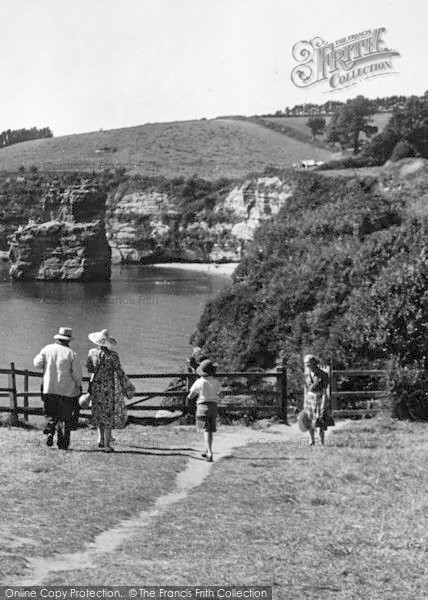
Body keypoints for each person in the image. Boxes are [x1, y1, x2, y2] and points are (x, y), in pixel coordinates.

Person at [33, 327, 82, 450]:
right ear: (68, 340)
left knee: (51, 414)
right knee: (65, 417)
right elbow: (77, 374)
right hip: (67, 390)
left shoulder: (47, 349)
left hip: (49, 388)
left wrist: (47, 366)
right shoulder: (71, 354)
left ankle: (50, 430)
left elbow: (37, 363)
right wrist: (78, 385)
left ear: (58, 338)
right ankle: (63, 443)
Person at [86, 328, 134, 452]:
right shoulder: (113, 356)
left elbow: (89, 369)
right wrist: (127, 386)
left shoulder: (92, 353)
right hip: (108, 388)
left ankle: (100, 439)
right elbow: (119, 372)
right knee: (108, 414)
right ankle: (107, 445)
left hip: (96, 386)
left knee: (98, 413)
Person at [186, 359, 221, 462]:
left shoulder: (199, 382)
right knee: (209, 431)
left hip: (202, 406)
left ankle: (209, 453)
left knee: (205, 431)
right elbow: (221, 394)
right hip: (213, 407)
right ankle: (207, 451)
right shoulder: (216, 382)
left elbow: (190, 395)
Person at [303, 354, 334, 446]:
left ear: (314, 363)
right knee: (309, 419)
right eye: (306, 364)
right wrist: (305, 401)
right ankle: (311, 440)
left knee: (320, 420)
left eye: (308, 364)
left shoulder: (323, 375)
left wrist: (324, 403)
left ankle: (322, 441)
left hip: (320, 398)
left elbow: (325, 391)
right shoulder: (306, 375)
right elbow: (306, 388)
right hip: (310, 398)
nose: (307, 366)